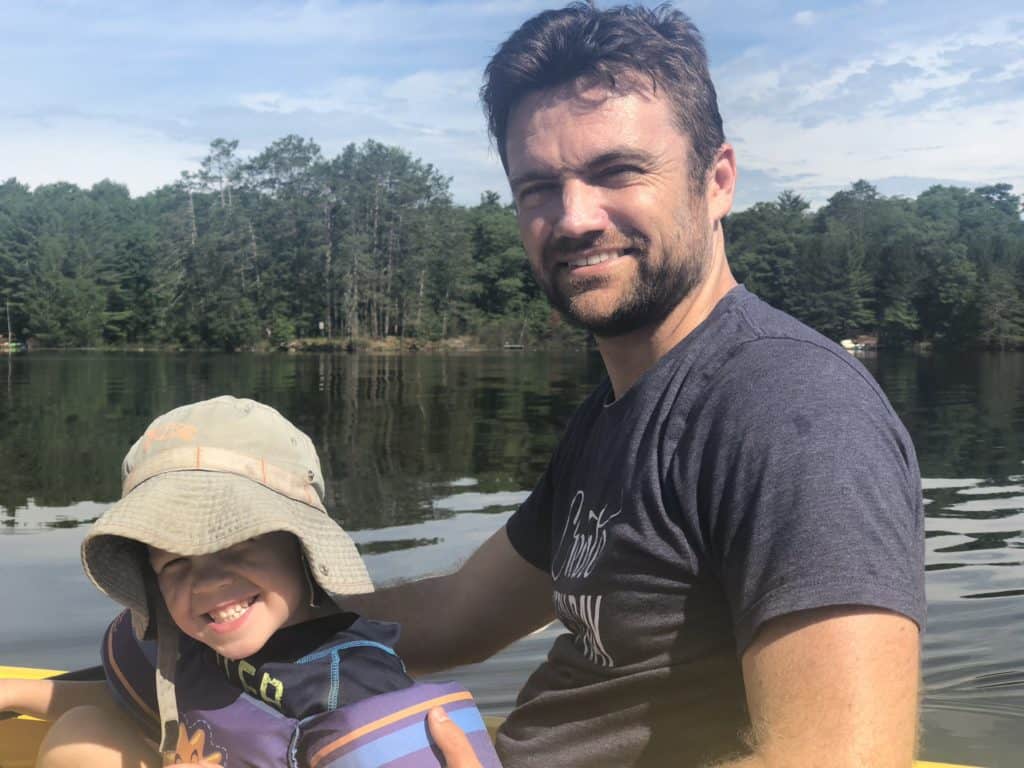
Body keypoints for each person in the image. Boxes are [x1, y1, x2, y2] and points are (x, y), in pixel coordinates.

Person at [346, 4, 926, 767]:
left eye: (616, 171)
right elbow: (458, 617)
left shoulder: (790, 409)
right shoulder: (619, 413)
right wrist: (258, 605)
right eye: (538, 187)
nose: (574, 217)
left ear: (716, 181)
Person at [0, 396, 498, 768]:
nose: (207, 582)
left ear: (302, 550)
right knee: (83, 732)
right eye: (173, 562)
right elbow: (139, 699)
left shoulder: (351, 684)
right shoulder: (189, 640)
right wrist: (15, 695)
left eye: (236, 543)